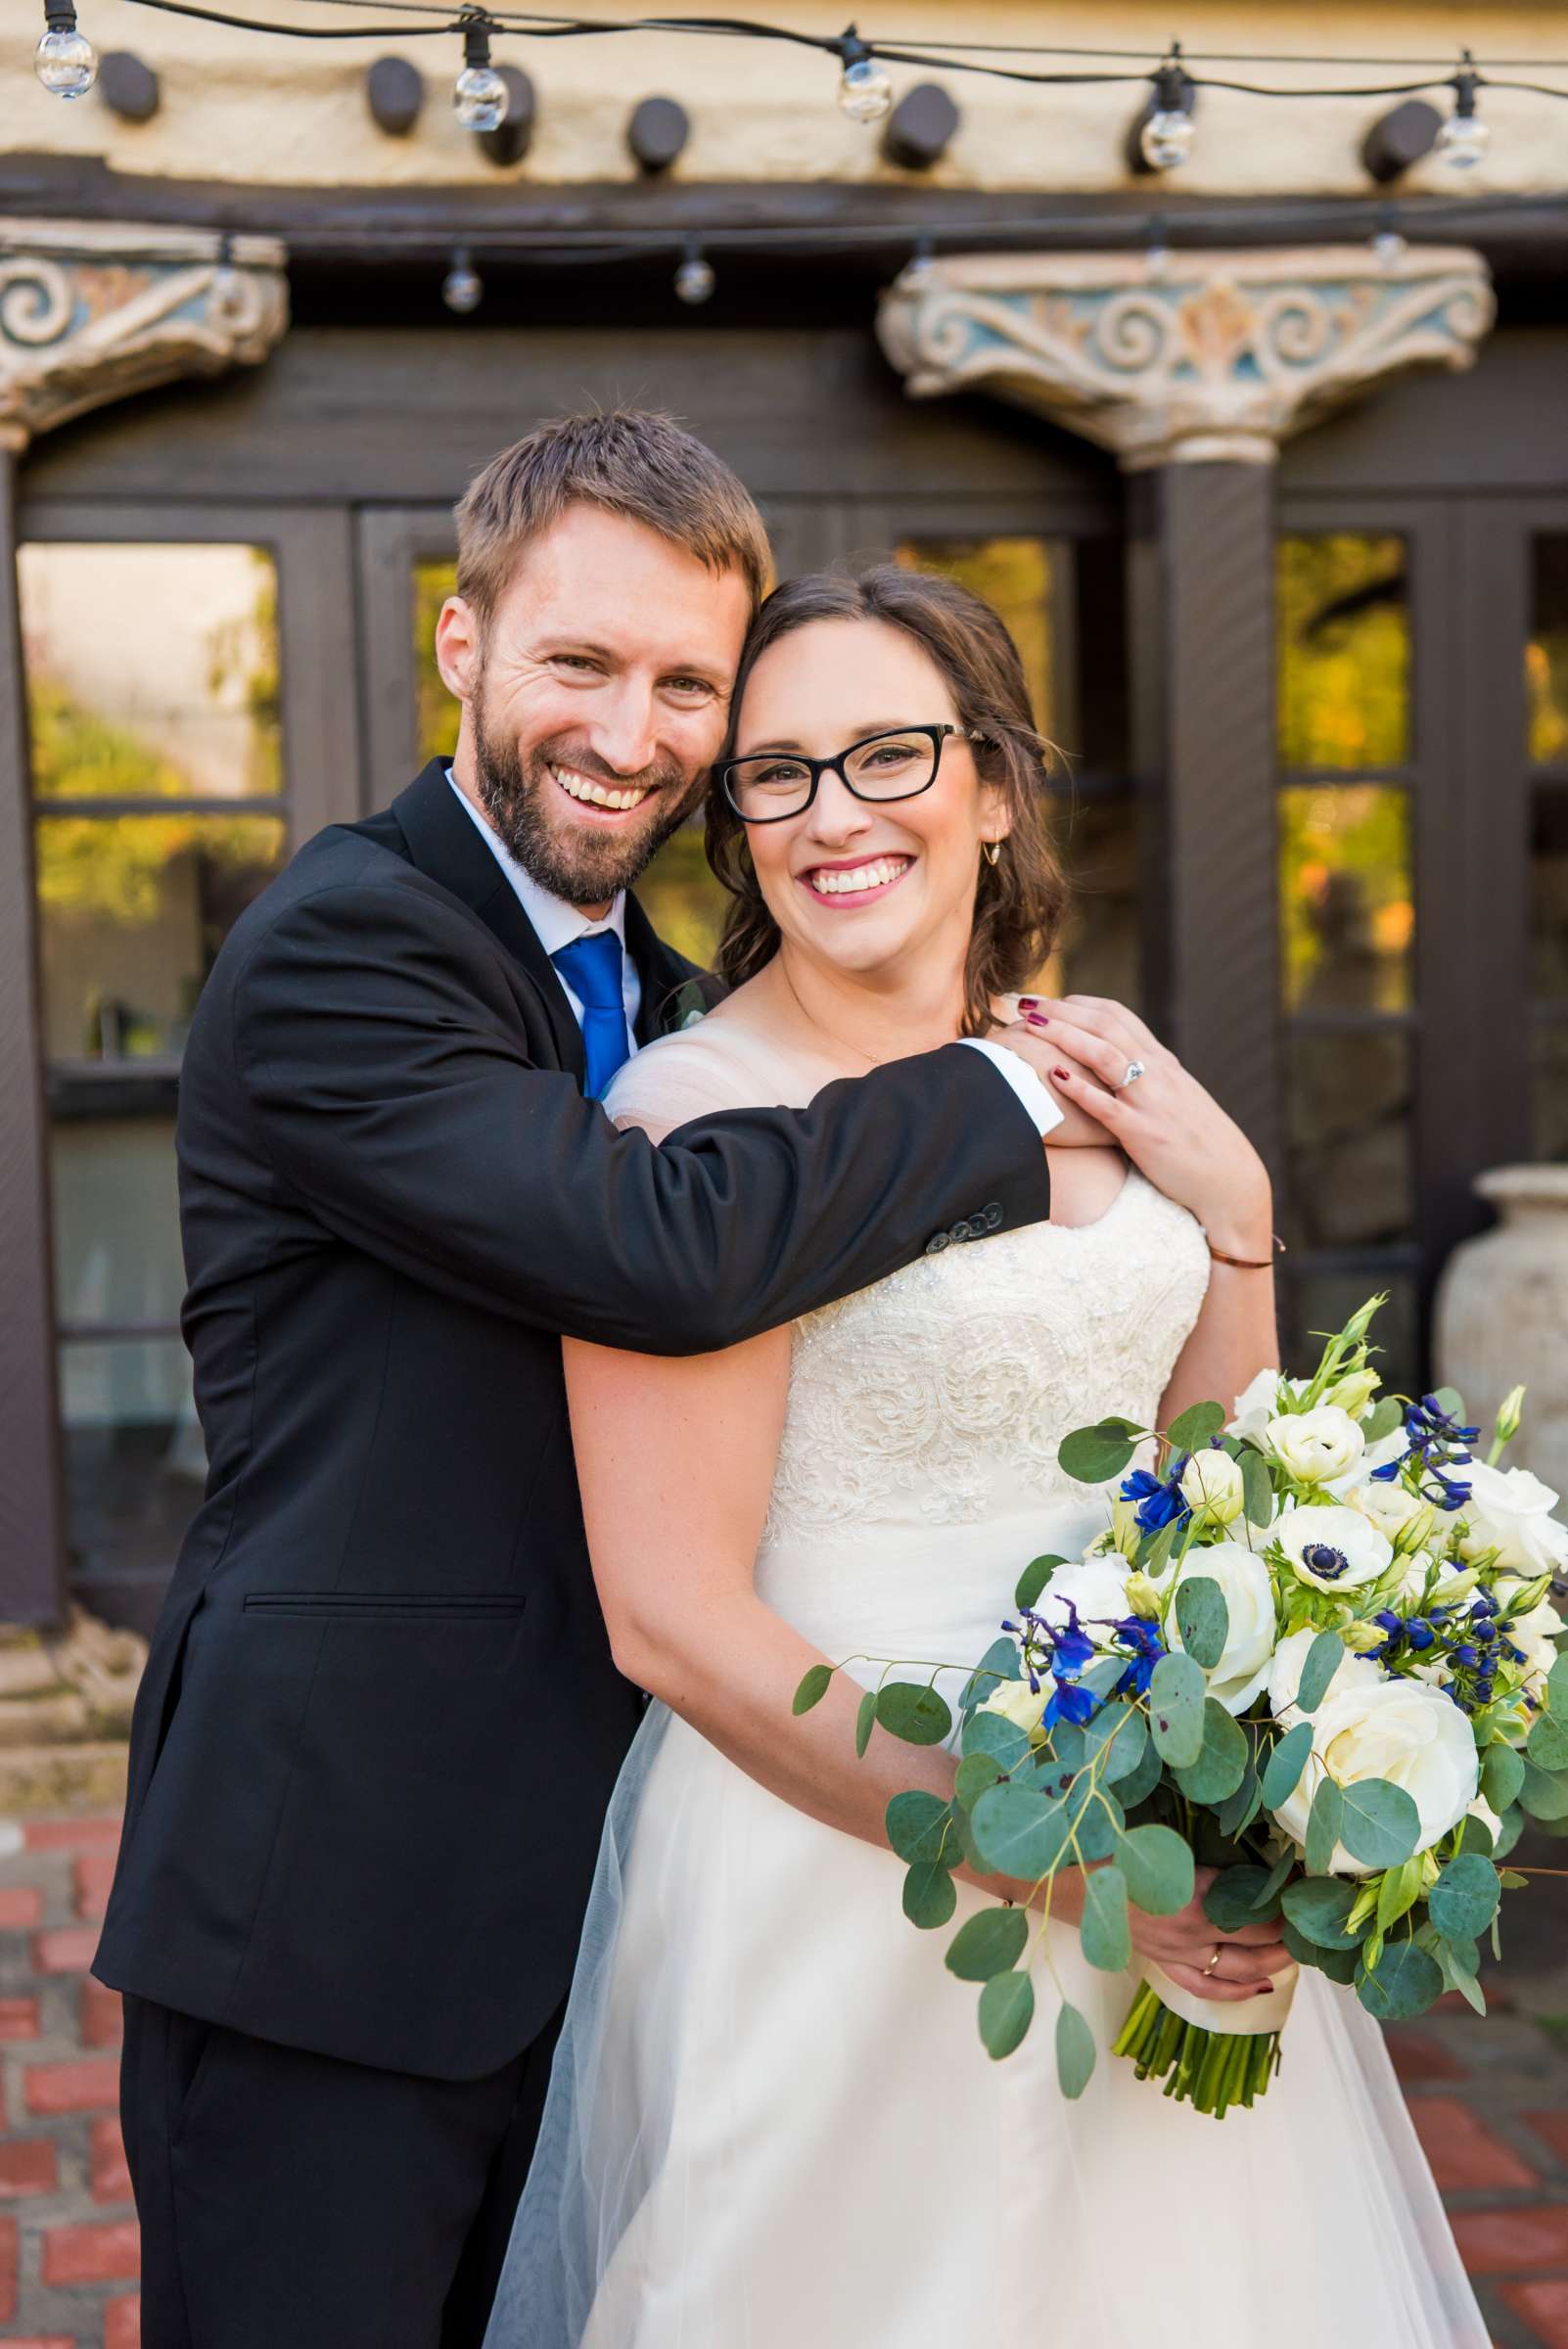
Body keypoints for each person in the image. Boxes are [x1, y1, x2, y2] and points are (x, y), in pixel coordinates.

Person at [92, 410, 1098, 2349]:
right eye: (579, 663)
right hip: (343, 1901)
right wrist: (989, 1092)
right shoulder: (343, 946)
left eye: (685, 687)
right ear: (462, 647)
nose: (631, 733)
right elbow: (653, 1253)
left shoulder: (644, 973)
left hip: (619, 1896)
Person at [486, 565, 1489, 2348]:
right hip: (844, 1866)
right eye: (777, 773)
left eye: (887, 753)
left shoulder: (1088, 1068)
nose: (832, 815)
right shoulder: (683, 1126)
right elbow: (669, 1618)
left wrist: (1238, 1221)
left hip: (1158, 1837)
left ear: (995, 784)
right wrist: (1051, 1865)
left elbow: (1212, 1493)